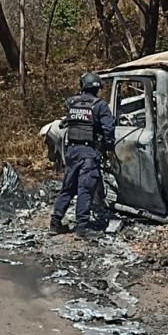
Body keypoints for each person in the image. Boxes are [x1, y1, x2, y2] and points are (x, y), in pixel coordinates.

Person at [50, 72, 115, 239]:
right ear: (97, 88)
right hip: (88, 153)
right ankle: (82, 228)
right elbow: (109, 129)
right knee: (85, 189)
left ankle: (55, 223)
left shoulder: (72, 102)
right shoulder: (100, 105)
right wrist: (108, 147)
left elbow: (68, 122)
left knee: (68, 188)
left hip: (71, 151)